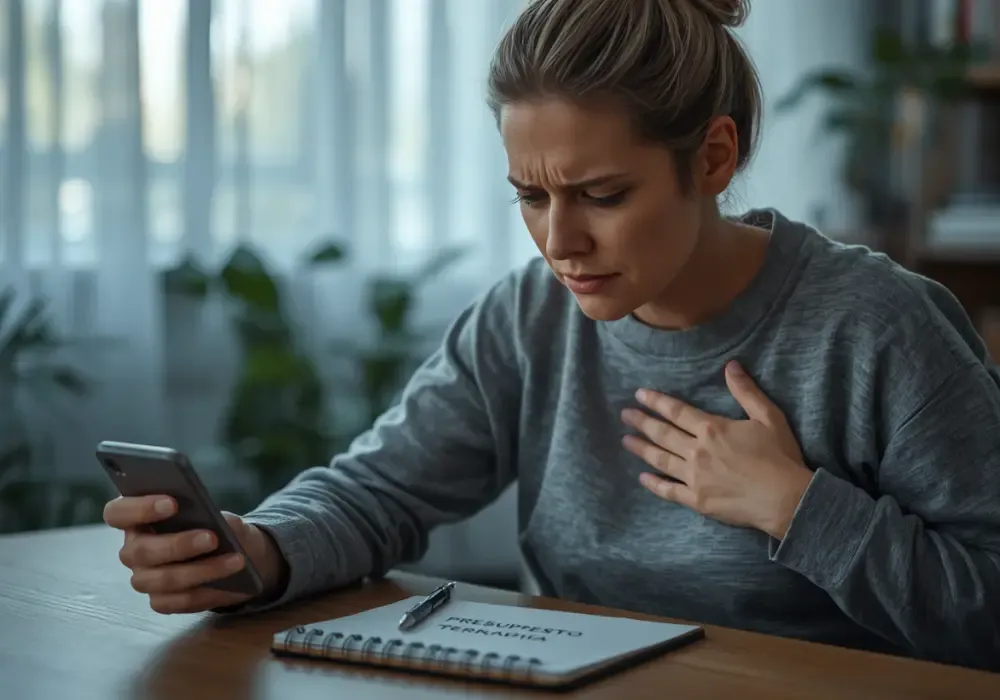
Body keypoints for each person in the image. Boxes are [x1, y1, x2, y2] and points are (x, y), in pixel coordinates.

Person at [103, 0, 1000, 672]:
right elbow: (379, 490)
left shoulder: (880, 327)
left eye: (602, 196)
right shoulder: (530, 316)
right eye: (531, 196)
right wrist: (258, 552)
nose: (559, 243)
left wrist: (798, 508)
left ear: (713, 159)